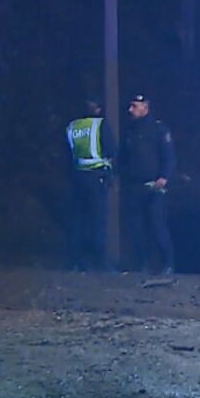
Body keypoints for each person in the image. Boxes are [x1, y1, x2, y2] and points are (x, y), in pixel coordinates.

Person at [122, 93, 176, 274]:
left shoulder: (159, 129)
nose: (130, 110)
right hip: (134, 186)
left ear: (145, 107)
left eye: (134, 106)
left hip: (154, 186)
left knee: (157, 226)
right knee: (137, 229)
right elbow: (124, 157)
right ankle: (142, 264)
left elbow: (169, 156)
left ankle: (167, 264)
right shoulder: (130, 130)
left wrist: (164, 177)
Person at [65, 96, 116, 271]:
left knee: (78, 220)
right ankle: (101, 263)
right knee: (98, 221)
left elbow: (67, 154)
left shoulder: (73, 126)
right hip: (96, 177)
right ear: (98, 109)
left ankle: (75, 262)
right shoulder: (99, 125)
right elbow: (111, 150)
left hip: (78, 177)